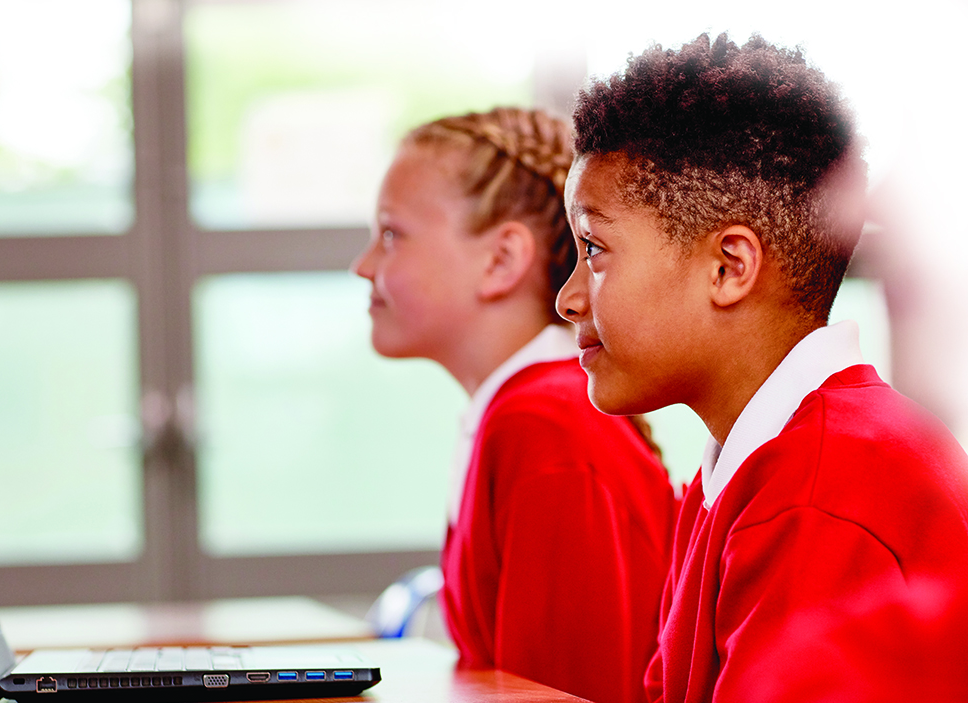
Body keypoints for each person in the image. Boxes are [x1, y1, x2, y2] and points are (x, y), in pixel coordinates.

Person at [556, 33, 968, 702]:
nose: (568, 297)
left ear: (729, 268)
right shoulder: (742, 467)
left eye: (594, 248)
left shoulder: (821, 494)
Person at [351, 106, 677, 703]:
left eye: (392, 234)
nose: (363, 265)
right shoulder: (519, 414)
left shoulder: (545, 426)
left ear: (501, 260)